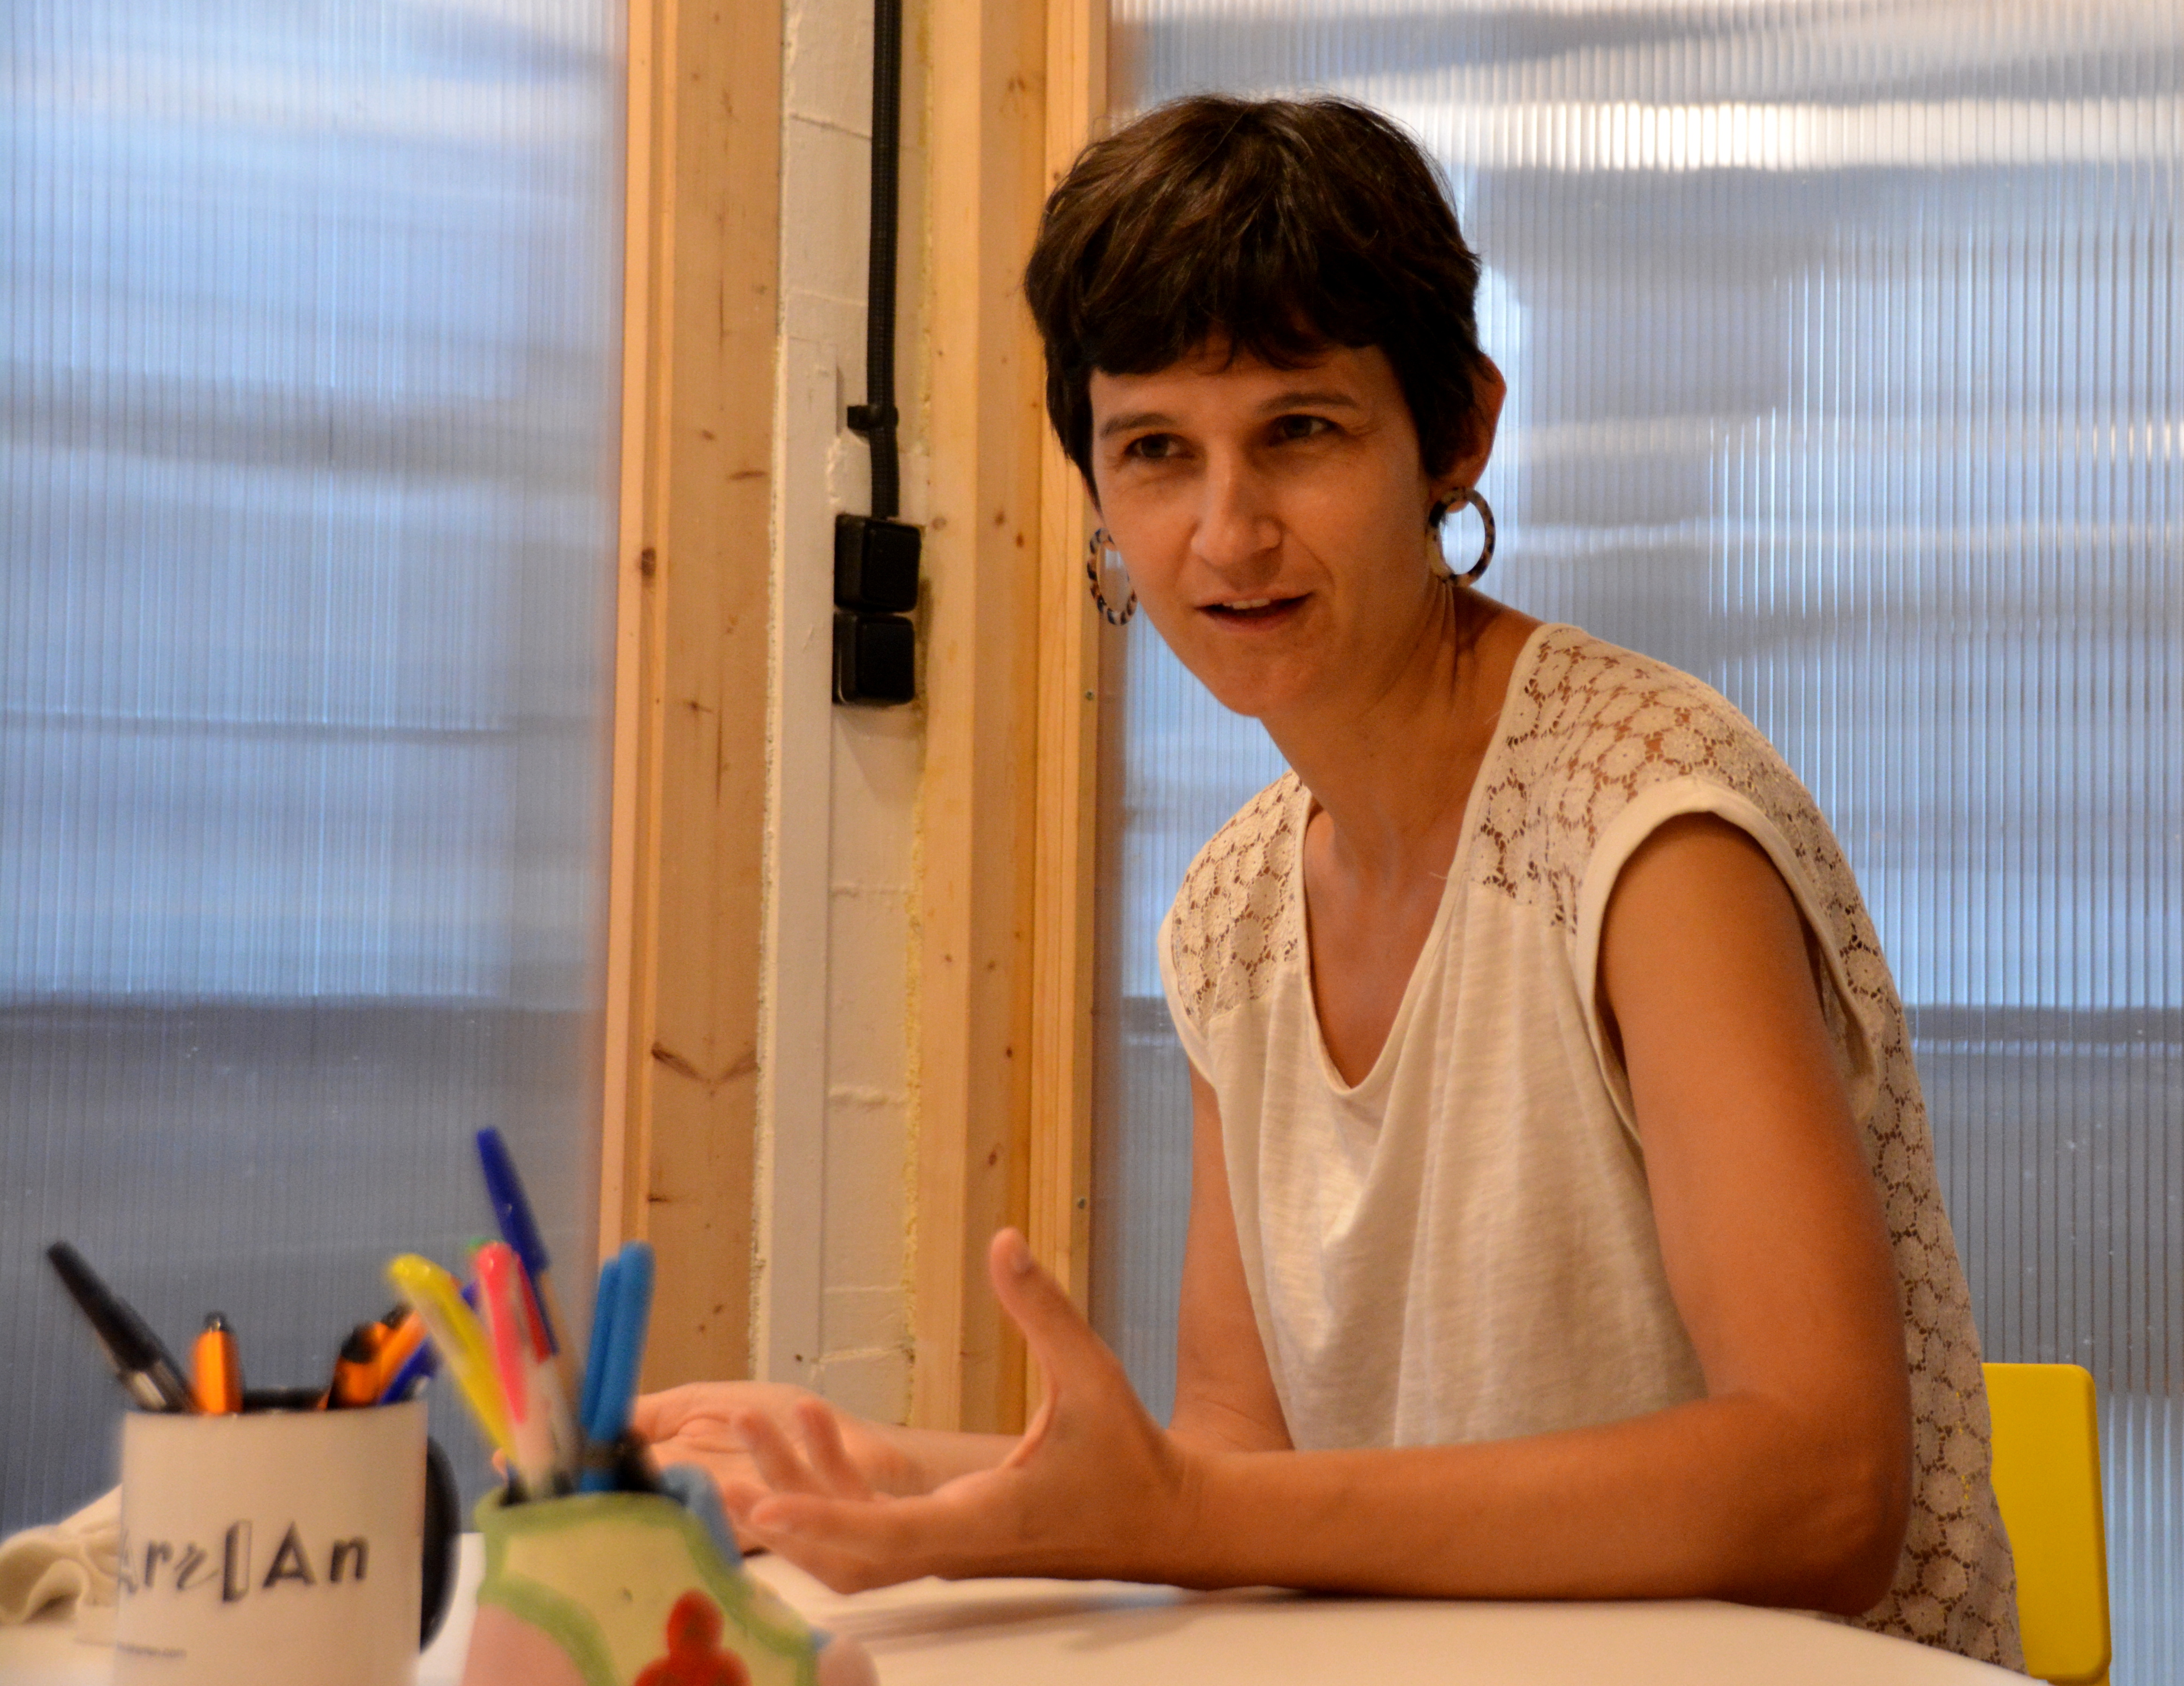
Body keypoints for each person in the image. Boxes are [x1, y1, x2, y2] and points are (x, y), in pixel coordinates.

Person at [635, 95, 2022, 1669]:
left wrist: (1168, 1512)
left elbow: (1823, 1490)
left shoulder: (1646, 824)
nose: (1226, 532)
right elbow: (1242, 1464)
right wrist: (875, 1466)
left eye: (1299, 431)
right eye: (1154, 450)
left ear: (1456, 433)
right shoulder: (1230, 912)